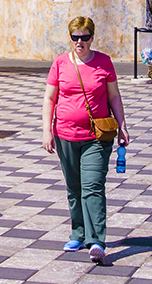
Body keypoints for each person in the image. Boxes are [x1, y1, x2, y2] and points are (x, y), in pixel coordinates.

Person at [42, 16, 129, 265]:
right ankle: (78, 234)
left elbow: (113, 96)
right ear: (70, 38)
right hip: (65, 135)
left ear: (92, 37)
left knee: (92, 186)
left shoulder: (103, 62)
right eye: (75, 37)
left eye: (85, 37)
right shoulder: (60, 63)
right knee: (74, 187)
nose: (80, 42)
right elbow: (50, 99)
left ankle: (96, 240)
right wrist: (46, 130)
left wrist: (122, 125)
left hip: (97, 137)